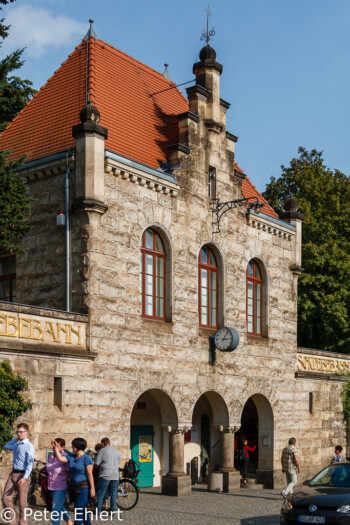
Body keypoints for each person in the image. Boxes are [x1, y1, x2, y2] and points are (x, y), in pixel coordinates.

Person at [51, 437, 95, 525]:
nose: (71, 447)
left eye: (73, 445)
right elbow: (60, 458)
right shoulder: (71, 456)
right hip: (74, 488)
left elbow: (90, 474)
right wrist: (55, 447)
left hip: (83, 488)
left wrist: (92, 488)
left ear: (77, 446)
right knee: (83, 511)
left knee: (78, 510)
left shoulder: (86, 458)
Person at [2, 422, 35, 525]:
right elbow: (6, 446)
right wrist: (16, 439)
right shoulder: (16, 445)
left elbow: (30, 463)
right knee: (6, 499)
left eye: (21, 432)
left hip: (23, 475)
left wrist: (25, 478)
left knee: (22, 503)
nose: (19, 434)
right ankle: (11, 522)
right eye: (18, 432)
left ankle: (23, 523)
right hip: (13, 474)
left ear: (27, 432)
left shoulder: (29, 446)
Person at [46, 438, 72, 525]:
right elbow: (49, 469)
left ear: (62, 447)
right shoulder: (51, 456)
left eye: (57, 446)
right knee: (58, 505)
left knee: (55, 509)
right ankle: (68, 520)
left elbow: (69, 472)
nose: (54, 447)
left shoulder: (65, 457)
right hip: (52, 485)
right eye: (53, 445)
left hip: (61, 486)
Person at [94, 437, 120, 514]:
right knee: (113, 493)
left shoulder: (102, 450)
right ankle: (112, 510)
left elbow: (97, 463)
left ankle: (98, 510)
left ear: (103, 444)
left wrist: (93, 467)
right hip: (115, 474)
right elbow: (117, 463)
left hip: (105, 474)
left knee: (100, 493)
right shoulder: (116, 450)